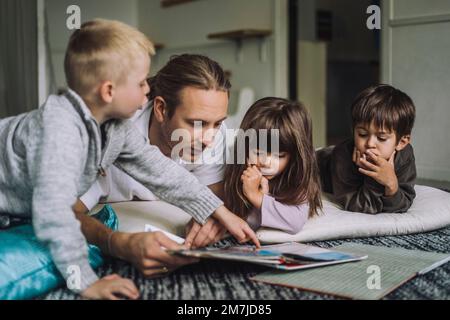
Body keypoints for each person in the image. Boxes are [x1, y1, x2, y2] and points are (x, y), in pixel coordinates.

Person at [0, 19, 259, 300]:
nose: (149, 89)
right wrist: (85, 282)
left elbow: (160, 171)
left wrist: (219, 211)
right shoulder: (60, 132)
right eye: (141, 83)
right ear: (109, 91)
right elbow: (55, 213)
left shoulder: (114, 128)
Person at [73, 54, 237, 278]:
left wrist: (209, 219)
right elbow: (65, 213)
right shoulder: (111, 134)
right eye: (196, 124)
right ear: (161, 109)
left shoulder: (214, 132)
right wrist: (119, 244)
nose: (210, 138)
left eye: (217, 123)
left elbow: (214, 196)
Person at [224, 97, 322, 234]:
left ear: (295, 156)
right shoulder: (235, 170)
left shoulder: (297, 180)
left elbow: (295, 222)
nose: (266, 162)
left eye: (279, 155)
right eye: (258, 152)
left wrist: (257, 196)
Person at [317, 84, 416, 213]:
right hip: (314, 166)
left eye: (381, 138)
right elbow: (359, 205)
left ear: (401, 142)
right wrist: (374, 177)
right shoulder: (343, 155)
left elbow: (402, 205)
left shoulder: (405, 155)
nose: (370, 143)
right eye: (362, 134)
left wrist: (392, 185)